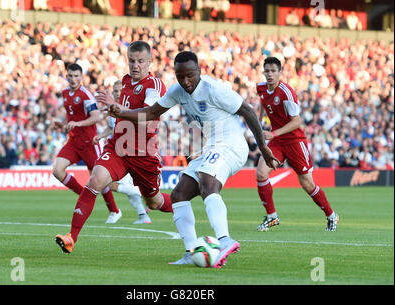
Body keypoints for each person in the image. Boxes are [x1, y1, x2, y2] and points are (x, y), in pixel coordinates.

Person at [107, 51, 279, 268]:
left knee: (208, 181)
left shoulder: (213, 89)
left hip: (232, 145)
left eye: (190, 75)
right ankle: (191, 251)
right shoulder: (178, 90)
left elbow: (248, 110)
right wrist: (121, 113)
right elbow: (151, 112)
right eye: (181, 76)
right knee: (179, 194)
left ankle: (225, 241)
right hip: (211, 147)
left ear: (199, 71)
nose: (186, 82)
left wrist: (262, 146)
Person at [55, 41, 172, 254]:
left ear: (150, 62)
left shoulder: (154, 85)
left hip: (142, 153)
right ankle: (72, 237)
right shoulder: (126, 81)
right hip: (117, 147)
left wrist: (118, 109)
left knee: (155, 202)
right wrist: (112, 109)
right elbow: (121, 113)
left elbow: (148, 115)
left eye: (140, 61)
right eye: (131, 61)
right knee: (95, 180)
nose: (135, 66)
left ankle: (182, 204)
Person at [255, 57, 339, 232]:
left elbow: (297, 121)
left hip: (294, 141)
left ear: (280, 73)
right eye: (267, 71)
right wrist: (261, 123)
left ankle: (331, 215)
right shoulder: (261, 88)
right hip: (277, 141)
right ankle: (272, 217)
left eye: (273, 71)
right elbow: (264, 105)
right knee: (261, 173)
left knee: (307, 184)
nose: (269, 74)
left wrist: (273, 133)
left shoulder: (286, 92)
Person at [52, 63, 121, 225]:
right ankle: (84, 194)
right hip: (74, 142)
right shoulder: (65, 93)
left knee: (99, 178)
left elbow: (96, 117)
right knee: (57, 170)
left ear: (81, 77)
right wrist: (62, 124)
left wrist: (78, 124)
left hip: (90, 141)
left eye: (76, 76)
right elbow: (71, 117)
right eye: (70, 76)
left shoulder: (86, 95)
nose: (73, 79)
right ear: (66, 76)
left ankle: (114, 210)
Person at [93, 80, 152, 224]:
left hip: (129, 153)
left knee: (108, 183)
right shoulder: (113, 108)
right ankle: (143, 216)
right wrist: (100, 136)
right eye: (115, 91)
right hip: (119, 152)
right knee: (121, 187)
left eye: (120, 90)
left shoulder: (130, 109)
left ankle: (140, 194)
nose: (117, 93)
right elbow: (111, 127)